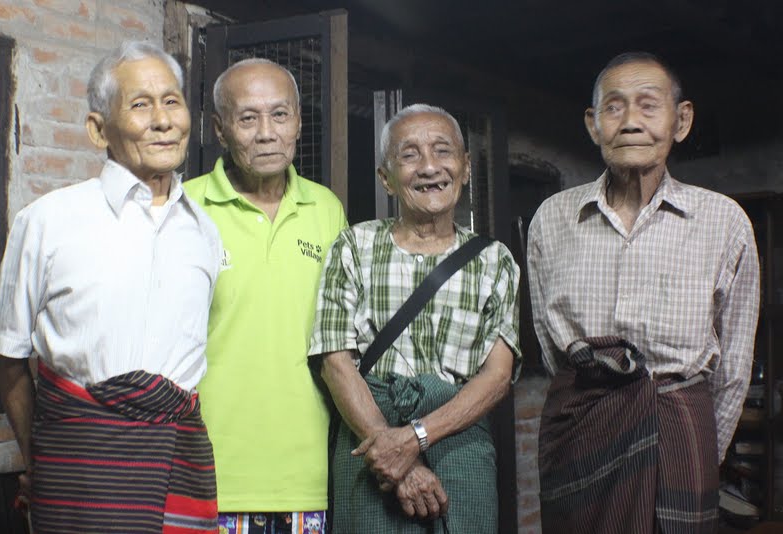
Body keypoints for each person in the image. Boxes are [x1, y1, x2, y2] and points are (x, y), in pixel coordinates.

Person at [0, 41, 221, 534]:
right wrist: (42, 458)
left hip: (181, 466)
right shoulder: (47, 221)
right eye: (141, 104)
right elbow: (8, 357)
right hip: (75, 471)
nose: (163, 120)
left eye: (172, 101)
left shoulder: (204, 230)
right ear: (99, 130)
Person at [528, 52, 760, 533]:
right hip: (580, 429)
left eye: (648, 106)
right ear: (593, 125)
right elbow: (553, 349)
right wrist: (599, 397)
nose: (630, 122)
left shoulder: (723, 221)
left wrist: (693, 447)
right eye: (614, 108)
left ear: (682, 121)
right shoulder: (552, 218)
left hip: (681, 432)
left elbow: (734, 367)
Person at [308, 104, 521, 533]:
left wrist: (416, 437)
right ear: (386, 177)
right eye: (409, 155)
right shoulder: (353, 246)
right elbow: (334, 360)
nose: (428, 167)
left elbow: (497, 377)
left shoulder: (495, 260)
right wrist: (395, 454)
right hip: (368, 439)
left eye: (442, 152)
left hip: (458, 441)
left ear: (464, 168)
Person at [184, 58, 346, 534]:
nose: (266, 133)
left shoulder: (327, 209)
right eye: (247, 117)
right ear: (219, 128)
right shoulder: (185, 209)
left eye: (280, 115)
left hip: (308, 472)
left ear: (298, 121)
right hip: (210, 470)